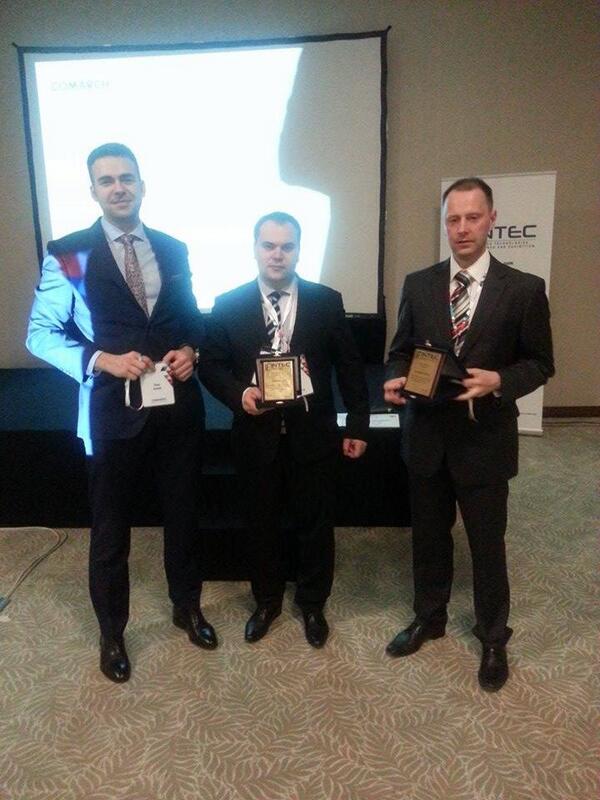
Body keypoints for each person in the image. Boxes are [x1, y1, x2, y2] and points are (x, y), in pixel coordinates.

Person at [27, 143, 217, 683]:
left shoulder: (173, 248)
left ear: (141, 184)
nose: (118, 187)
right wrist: (99, 359)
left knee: (184, 514)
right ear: (93, 191)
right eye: (106, 180)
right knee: (111, 529)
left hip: (177, 406)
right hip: (112, 413)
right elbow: (39, 334)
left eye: (126, 178)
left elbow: (189, 318)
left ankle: (187, 606)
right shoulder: (71, 252)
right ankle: (113, 633)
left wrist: (192, 351)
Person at [383, 177, 554, 691]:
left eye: (472, 217)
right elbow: (400, 351)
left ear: (492, 218)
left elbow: (542, 363)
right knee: (429, 538)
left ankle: (493, 635)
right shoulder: (419, 283)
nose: (462, 229)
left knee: (486, 543)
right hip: (428, 436)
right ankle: (429, 617)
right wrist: (392, 379)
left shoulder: (523, 289)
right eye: (453, 219)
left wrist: (501, 380)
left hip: (485, 441)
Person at [198, 212, 369, 647]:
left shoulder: (326, 301)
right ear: (255, 248)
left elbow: (349, 367)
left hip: (314, 432)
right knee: (261, 523)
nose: (277, 254)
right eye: (269, 245)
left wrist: (359, 424)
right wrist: (239, 395)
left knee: (315, 521)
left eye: (286, 246)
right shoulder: (227, 304)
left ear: (298, 249)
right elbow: (212, 366)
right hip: (256, 435)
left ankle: (313, 603)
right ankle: (267, 600)